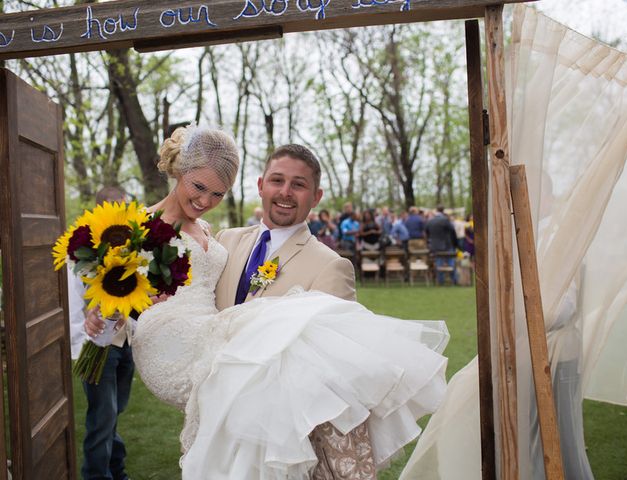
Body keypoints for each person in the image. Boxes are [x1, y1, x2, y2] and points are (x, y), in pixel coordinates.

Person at [87, 126, 448, 479]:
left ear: (315, 196)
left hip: (229, 364)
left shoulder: (218, 235)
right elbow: (113, 303)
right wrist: (103, 323)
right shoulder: (150, 229)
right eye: (199, 188)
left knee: (297, 332)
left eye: (217, 194)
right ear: (261, 186)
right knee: (270, 336)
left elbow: (336, 364)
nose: (205, 201)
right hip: (180, 344)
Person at [73, 185, 135, 480]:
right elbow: (77, 297)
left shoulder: (131, 247)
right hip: (98, 345)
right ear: (101, 210)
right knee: (102, 419)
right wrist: (87, 316)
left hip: (126, 343)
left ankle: (117, 469)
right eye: (116, 209)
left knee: (111, 415)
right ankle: (98, 475)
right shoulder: (85, 248)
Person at [425, 205, 459, 285]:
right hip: (447, 245)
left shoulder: (430, 221)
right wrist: (455, 244)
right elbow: (452, 232)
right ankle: (454, 280)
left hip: (435, 246)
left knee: (439, 263)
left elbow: (427, 233)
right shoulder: (445, 220)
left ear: (436, 210)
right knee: (451, 262)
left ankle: (440, 281)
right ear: (443, 211)